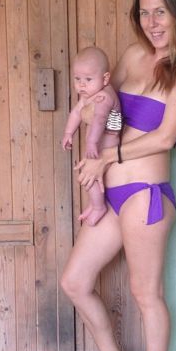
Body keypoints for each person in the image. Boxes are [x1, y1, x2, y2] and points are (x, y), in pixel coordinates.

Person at [61, 0, 176, 351]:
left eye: (160, 12)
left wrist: (109, 155)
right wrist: (95, 138)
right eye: (144, 13)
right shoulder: (131, 55)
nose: (152, 22)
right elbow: (108, 104)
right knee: (75, 281)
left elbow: (165, 138)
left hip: (146, 193)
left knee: (146, 293)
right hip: (112, 193)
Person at [61, 47, 123, 226]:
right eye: (77, 79)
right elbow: (76, 112)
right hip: (97, 147)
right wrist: (68, 133)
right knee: (89, 176)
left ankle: (98, 207)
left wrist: (91, 142)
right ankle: (95, 204)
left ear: (105, 78)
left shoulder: (104, 97)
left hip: (107, 147)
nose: (82, 85)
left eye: (88, 79)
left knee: (89, 176)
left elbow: (99, 119)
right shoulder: (89, 94)